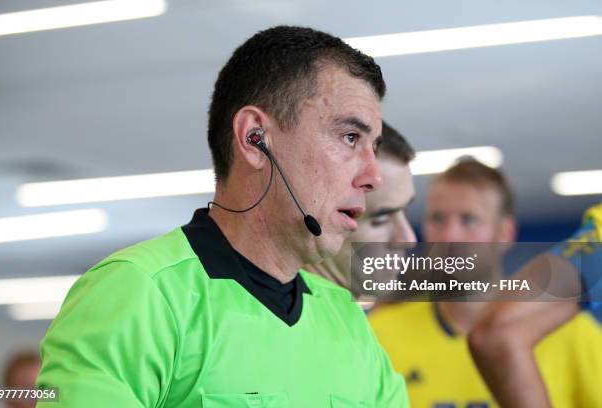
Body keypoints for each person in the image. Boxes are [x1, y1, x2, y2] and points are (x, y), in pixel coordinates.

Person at [35, 26, 410, 407]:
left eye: (372, 147)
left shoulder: (345, 320)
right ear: (255, 139)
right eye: (349, 137)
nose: (372, 175)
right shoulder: (140, 293)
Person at [368, 159, 601, 408]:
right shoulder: (379, 334)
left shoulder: (572, 331)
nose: (449, 236)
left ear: (504, 234)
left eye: (468, 220)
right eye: (437, 219)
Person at [308, 121, 416, 302]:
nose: (408, 239)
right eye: (380, 219)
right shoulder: (288, 323)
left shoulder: (344, 318)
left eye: (404, 210)